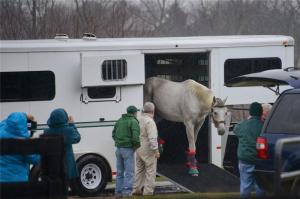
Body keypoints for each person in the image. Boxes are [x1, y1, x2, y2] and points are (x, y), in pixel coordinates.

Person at [233, 102, 265, 198]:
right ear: (261, 113)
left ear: (250, 112)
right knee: (260, 187)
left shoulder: (242, 125)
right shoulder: (264, 126)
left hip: (245, 160)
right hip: (260, 161)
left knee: (245, 186)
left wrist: (248, 120)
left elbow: (235, 130)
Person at [44, 108, 81, 189]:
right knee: (64, 189)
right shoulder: (68, 130)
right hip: (65, 166)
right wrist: (72, 124)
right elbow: (77, 138)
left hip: (51, 165)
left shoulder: (46, 131)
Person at [0, 112, 40, 182]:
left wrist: (24, 116)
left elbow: (10, 121)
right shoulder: (24, 142)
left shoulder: (2, 130)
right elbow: (35, 159)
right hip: (17, 181)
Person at [112, 105, 140, 198]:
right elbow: (136, 137)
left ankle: (118, 192)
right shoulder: (133, 121)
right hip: (128, 149)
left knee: (119, 172)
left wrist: (118, 141)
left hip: (118, 149)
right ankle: (127, 193)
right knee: (129, 172)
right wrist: (136, 146)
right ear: (134, 113)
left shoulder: (120, 120)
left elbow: (113, 133)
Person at [133, 102, 160, 196]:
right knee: (150, 170)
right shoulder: (150, 122)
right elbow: (152, 137)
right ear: (153, 111)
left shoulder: (138, 119)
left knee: (139, 169)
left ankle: (136, 189)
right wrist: (156, 150)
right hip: (147, 148)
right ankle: (148, 192)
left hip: (138, 147)